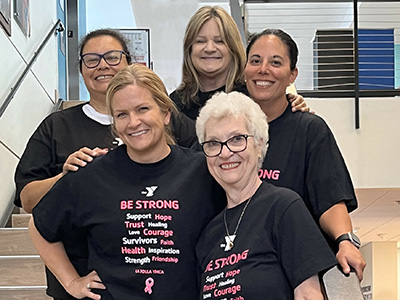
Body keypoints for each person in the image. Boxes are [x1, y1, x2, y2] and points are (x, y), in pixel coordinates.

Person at [29, 63, 225, 300]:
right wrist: (71, 282)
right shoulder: (91, 175)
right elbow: (39, 226)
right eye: (122, 114)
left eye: (143, 109)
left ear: (165, 114)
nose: (133, 122)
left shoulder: (202, 170)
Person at [14, 29, 132, 300]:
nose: (103, 65)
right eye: (91, 59)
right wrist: (64, 176)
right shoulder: (57, 126)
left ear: (129, 63)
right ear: (81, 69)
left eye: (113, 57)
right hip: (81, 283)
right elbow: (28, 199)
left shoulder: (153, 123)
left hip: (146, 277)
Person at [244, 29, 366, 280]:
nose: (263, 69)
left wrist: (345, 240)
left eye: (275, 62)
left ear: (292, 75)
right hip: (243, 270)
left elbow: (330, 200)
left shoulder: (310, 130)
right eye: (255, 60)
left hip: (299, 272)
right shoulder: (228, 132)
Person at [195, 91, 337, 299]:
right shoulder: (209, 235)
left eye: (237, 139)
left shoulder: (284, 208)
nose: (224, 153)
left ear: (259, 144)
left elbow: (309, 294)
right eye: (214, 143)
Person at [170, 6, 309, 146]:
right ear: (189, 49)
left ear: (233, 47)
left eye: (219, 41)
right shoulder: (175, 103)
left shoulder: (253, 98)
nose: (210, 48)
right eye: (200, 41)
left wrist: (290, 103)